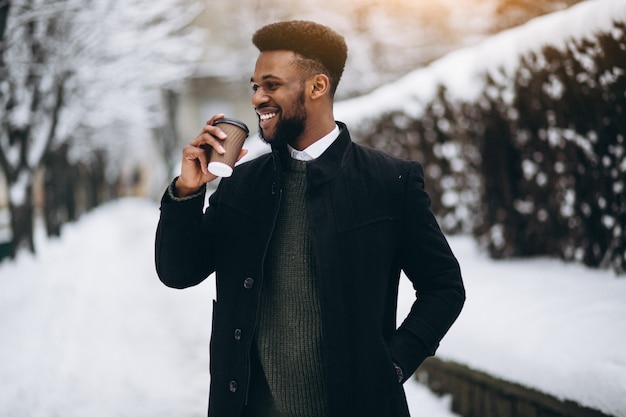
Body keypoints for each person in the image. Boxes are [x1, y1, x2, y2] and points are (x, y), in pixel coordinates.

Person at [155, 20, 465, 417]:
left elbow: (444, 288)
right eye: (254, 86)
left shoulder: (390, 181)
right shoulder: (241, 185)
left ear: (317, 86)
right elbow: (177, 271)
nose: (257, 99)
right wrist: (187, 189)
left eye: (271, 85)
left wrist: (391, 365)